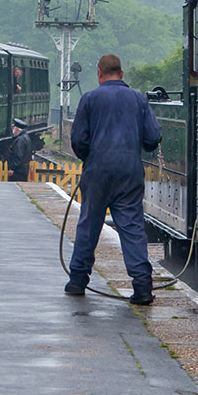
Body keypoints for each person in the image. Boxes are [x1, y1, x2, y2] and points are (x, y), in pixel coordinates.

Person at [66, 54, 161, 305]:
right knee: (131, 226)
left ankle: (77, 280)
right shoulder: (139, 99)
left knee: (89, 223)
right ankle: (142, 286)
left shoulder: (89, 99)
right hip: (129, 171)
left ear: (99, 73)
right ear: (121, 73)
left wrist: (92, 158)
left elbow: (78, 141)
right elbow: (152, 138)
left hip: (97, 170)